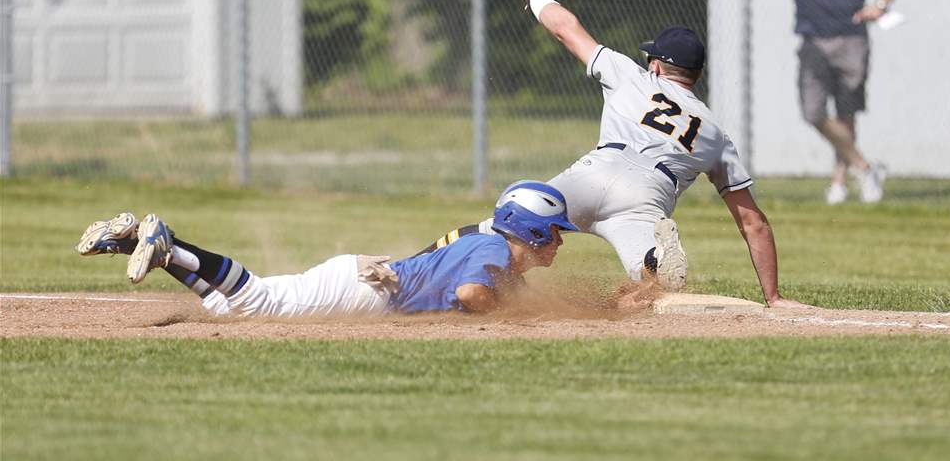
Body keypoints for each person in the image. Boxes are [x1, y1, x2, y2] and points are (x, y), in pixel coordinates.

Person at [425, 0, 806, 309]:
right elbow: (752, 222)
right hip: (646, 197)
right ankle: (653, 263)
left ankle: (418, 269)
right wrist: (772, 296)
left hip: (593, 173)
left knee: (507, 229)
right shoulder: (716, 135)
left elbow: (566, 29)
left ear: (657, 66)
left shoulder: (633, 76)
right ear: (695, 76)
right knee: (653, 287)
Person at [683, 0, 908, 205]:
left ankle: (840, 184)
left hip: (851, 37)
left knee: (846, 115)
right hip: (812, 39)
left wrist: (880, 5)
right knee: (813, 112)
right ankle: (866, 167)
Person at [75, 180, 578, 318]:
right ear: (530, 230)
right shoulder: (491, 253)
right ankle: (165, 244)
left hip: (365, 281)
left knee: (227, 311)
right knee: (260, 302)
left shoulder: (492, 248)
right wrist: (506, 313)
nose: (558, 240)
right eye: (553, 231)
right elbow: (471, 295)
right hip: (367, 291)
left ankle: (136, 242)